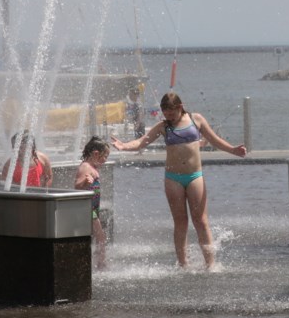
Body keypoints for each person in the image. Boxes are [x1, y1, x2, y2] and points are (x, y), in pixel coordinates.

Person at [111, 92, 247, 269]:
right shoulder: (163, 126)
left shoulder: (196, 119)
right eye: (165, 114)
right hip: (173, 178)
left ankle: (211, 264)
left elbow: (214, 140)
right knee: (180, 221)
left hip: (194, 176)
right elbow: (142, 141)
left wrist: (233, 150)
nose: (169, 117)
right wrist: (123, 146)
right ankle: (183, 264)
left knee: (201, 220)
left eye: (171, 114)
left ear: (180, 107)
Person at [74, 136, 110, 270]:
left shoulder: (92, 167)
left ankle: (93, 262)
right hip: (87, 210)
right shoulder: (86, 167)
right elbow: (77, 186)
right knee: (100, 236)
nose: (106, 160)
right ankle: (101, 264)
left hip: (92, 209)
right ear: (96, 153)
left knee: (98, 236)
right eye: (105, 156)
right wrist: (84, 182)